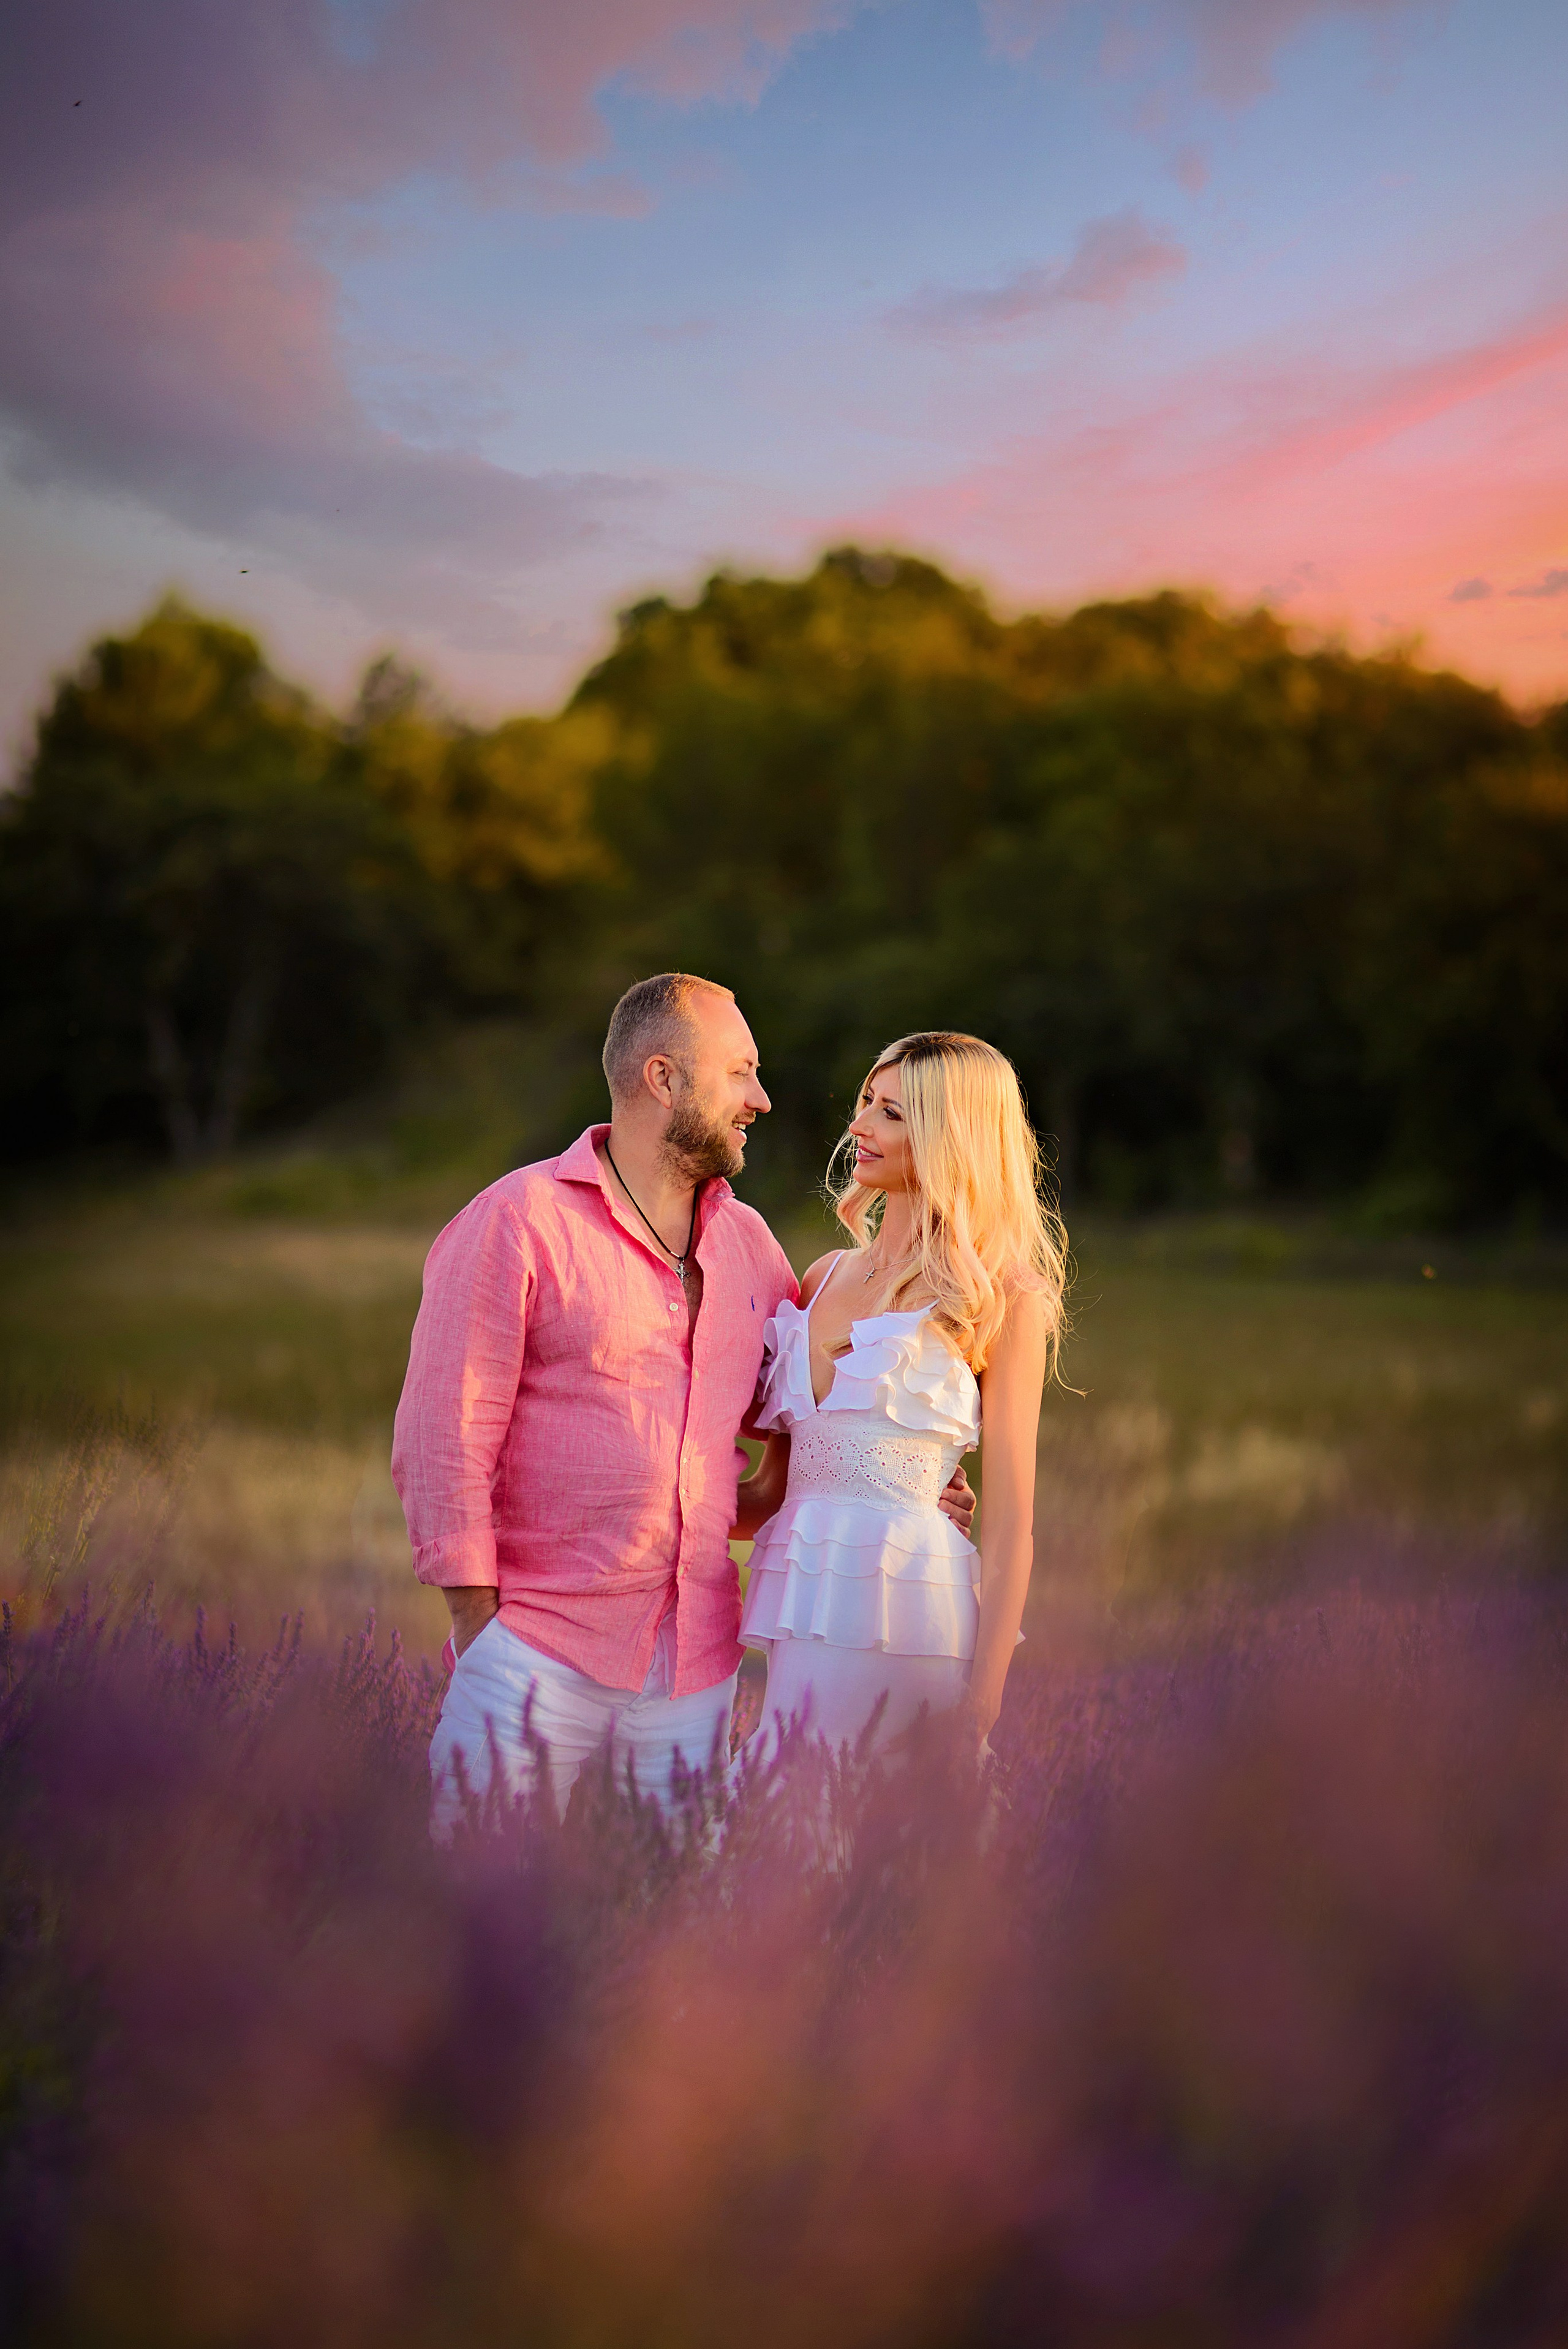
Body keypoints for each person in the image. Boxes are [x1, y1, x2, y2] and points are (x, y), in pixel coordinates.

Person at [392, 974, 974, 1831]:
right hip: (535, 1648)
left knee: (663, 1926)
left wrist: (908, 1477)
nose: (762, 1099)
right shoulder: (517, 1220)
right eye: (741, 1072)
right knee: (477, 1905)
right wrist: (482, 1630)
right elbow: (444, 1436)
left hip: (695, 1673)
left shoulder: (749, 1247)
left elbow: (813, 1413)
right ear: (663, 1078)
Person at [740, 1031, 1066, 1759]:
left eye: (892, 1112)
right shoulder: (820, 1275)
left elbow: (1013, 1520)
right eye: (865, 1102)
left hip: (916, 1621)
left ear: (951, 1135)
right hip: (804, 1621)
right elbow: (776, 1485)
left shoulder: (1002, 1295)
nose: (858, 1126)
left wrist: (983, 1699)